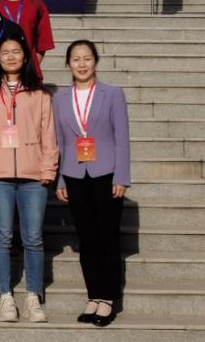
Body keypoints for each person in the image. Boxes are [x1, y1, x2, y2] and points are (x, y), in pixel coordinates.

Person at [0, 33, 57, 323]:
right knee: (2, 237)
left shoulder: (39, 93)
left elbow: (48, 133)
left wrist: (48, 170)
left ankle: (33, 296)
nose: (10, 57)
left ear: (26, 56)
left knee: (33, 238)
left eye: (16, 51)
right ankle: (5, 295)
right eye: (5, 52)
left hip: (33, 177)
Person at [54, 40, 131, 327]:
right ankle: (93, 295)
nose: (82, 64)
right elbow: (60, 142)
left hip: (106, 174)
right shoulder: (60, 99)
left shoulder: (113, 94)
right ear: (68, 64)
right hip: (75, 175)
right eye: (76, 59)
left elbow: (122, 137)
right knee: (86, 239)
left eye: (87, 58)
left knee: (107, 238)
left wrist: (121, 176)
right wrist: (61, 178)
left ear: (95, 61)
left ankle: (108, 298)